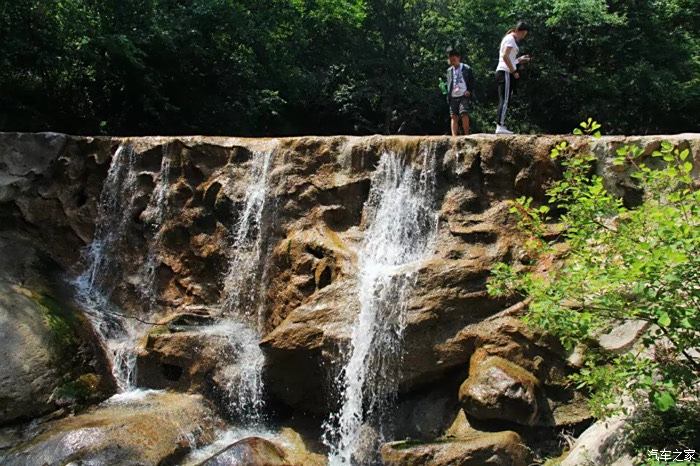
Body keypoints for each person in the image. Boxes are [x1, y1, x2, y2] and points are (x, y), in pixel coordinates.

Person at [495, 21, 531, 134]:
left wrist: (519, 59)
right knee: (504, 100)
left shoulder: (509, 39)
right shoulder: (510, 39)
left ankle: (501, 125)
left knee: (505, 99)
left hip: (504, 70)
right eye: (524, 34)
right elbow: (505, 57)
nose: (523, 37)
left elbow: (509, 58)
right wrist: (514, 71)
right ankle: (500, 126)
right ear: (520, 31)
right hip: (505, 72)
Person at [446, 49, 475, 136]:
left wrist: (469, 91)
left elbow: (472, 81)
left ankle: (466, 135)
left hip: (463, 94)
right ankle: (454, 136)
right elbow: (449, 83)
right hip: (453, 95)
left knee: (464, 113)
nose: (452, 62)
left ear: (459, 58)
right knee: (453, 116)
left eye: (454, 60)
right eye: (451, 61)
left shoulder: (466, 68)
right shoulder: (449, 70)